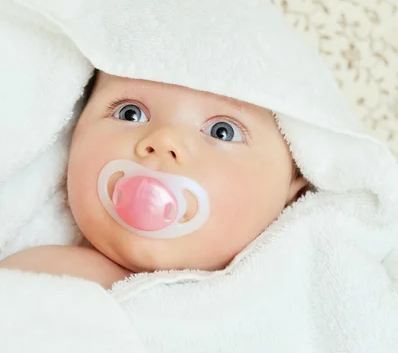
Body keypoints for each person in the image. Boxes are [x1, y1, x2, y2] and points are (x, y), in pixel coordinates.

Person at [0, 70, 308, 289]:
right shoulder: (44, 277)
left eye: (221, 131)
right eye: (130, 113)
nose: (164, 141)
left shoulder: (281, 310)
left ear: (293, 192)